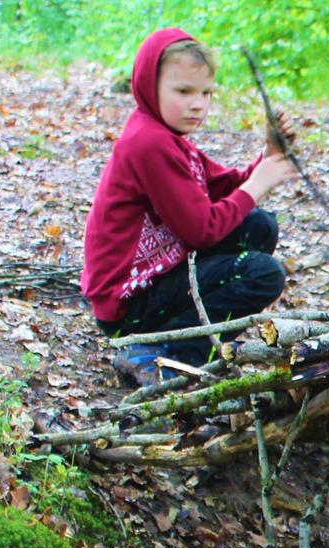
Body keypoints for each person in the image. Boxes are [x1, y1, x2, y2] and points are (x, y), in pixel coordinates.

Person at [81, 27, 299, 387]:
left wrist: (268, 155)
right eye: (183, 91)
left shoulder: (165, 137)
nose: (198, 103)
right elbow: (200, 229)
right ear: (150, 87)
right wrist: (260, 183)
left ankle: (189, 334)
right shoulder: (148, 143)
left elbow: (222, 188)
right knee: (264, 274)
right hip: (127, 304)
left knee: (259, 226)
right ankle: (169, 353)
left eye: (206, 93)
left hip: (156, 279)